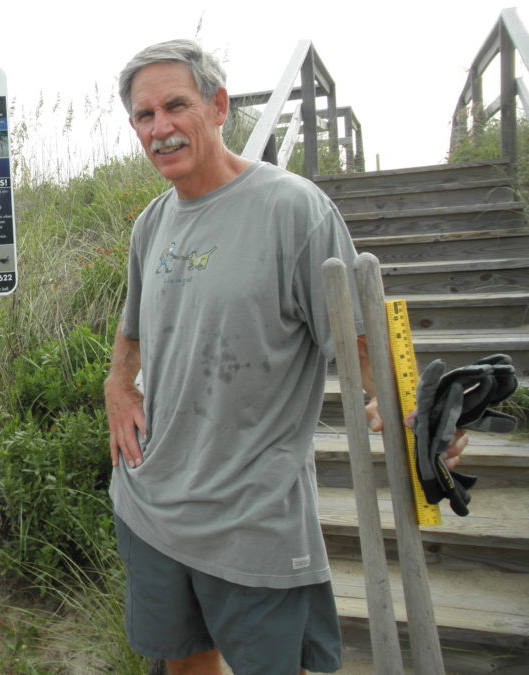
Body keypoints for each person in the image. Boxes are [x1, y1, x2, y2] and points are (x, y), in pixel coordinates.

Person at [103, 40, 468, 675]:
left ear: (218, 107)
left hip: (254, 516)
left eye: (176, 106)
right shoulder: (151, 223)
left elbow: (359, 339)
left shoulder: (293, 209)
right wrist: (118, 386)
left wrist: (412, 412)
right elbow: (133, 326)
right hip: (153, 504)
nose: (159, 129)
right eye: (144, 115)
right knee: (185, 665)